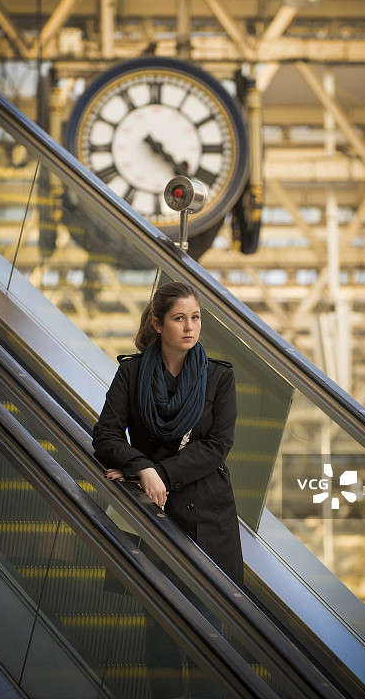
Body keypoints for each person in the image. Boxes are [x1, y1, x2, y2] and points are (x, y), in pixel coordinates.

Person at [92, 281, 243, 698]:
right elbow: (105, 435)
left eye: (195, 318)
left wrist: (155, 470)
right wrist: (139, 465)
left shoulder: (219, 377)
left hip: (208, 520)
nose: (190, 327)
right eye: (179, 318)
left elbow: (217, 447)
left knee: (210, 640)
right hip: (155, 519)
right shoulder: (132, 372)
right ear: (158, 324)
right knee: (160, 638)